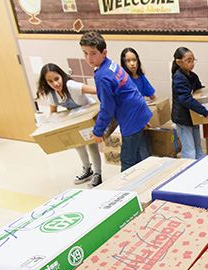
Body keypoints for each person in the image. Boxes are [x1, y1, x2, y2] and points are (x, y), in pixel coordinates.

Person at [80, 31, 152, 173]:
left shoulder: (102, 76)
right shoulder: (110, 64)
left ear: (104, 52)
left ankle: (127, 191)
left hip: (131, 118)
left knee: (127, 161)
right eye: (85, 53)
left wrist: (98, 131)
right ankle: (142, 182)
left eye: (93, 53)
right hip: (139, 111)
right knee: (136, 154)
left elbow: (107, 108)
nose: (89, 58)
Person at [35, 63, 102, 186]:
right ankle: (87, 169)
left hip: (87, 118)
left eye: (57, 79)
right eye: (50, 81)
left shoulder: (72, 86)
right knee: (78, 144)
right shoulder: (52, 94)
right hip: (74, 119)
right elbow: (53, 112)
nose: (55, 84)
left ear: (62, 76)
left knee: (92, 146)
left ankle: (98, 174)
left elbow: (98, 91)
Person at [171, 47, 208, 159]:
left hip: (193, 117)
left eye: (193, 60)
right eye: (188, 61)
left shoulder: (192, 76)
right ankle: (188, 172)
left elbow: (199, 93)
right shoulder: (178, 78)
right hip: (183, 119)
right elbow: (186, 99)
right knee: (189, 151)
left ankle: (200, 169)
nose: (192, 63)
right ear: (179, 62)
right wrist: (206, 113)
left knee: (198, 148)